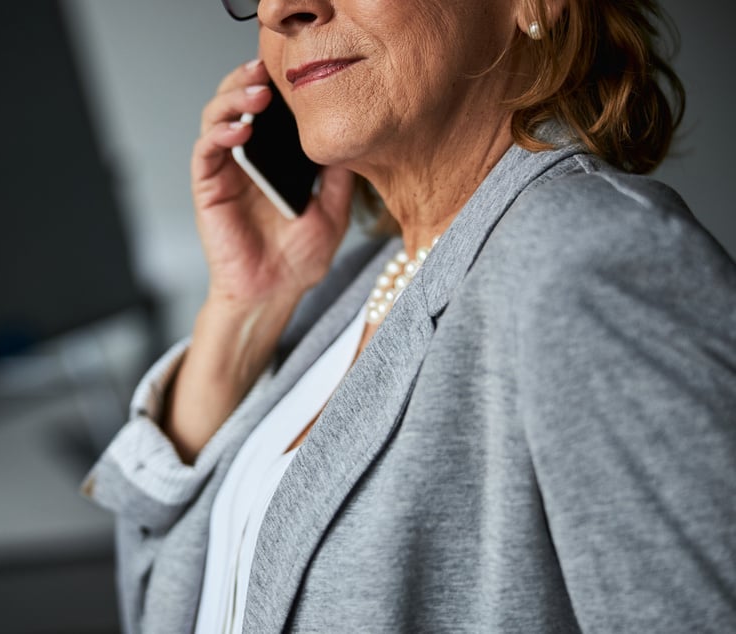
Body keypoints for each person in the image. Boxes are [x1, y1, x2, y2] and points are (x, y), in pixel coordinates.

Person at [82, 0, 736, 631]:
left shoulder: (586, 263)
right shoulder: (352, 284)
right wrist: (242, 310)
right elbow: (161, 604)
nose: (281, 7)